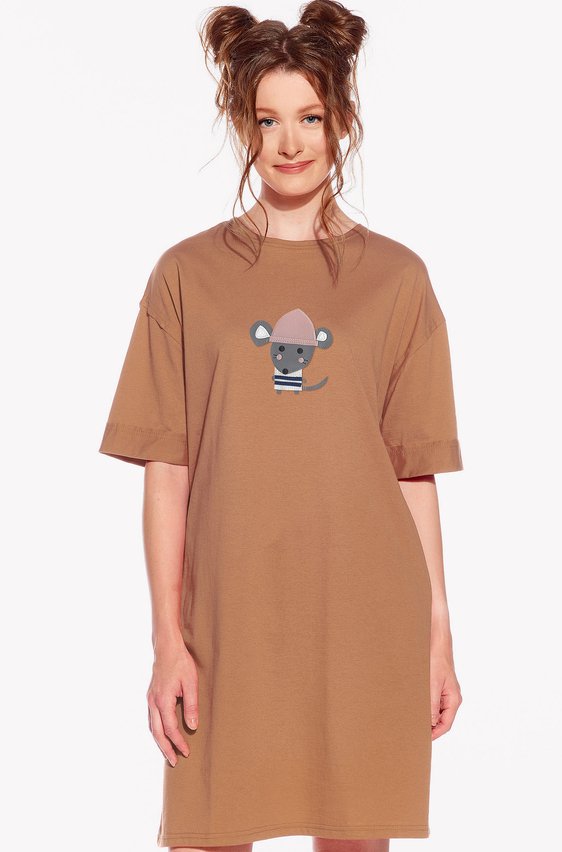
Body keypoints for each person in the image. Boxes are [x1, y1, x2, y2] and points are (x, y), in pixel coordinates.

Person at [98, 2, 464, 850]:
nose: (290, 142)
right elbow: (166, 471)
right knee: (209, 833)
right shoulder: (186, 275)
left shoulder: (398, 279)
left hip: (367, 615)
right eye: (267, 119)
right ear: (242, 124)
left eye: (310, 117)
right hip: (227, 623)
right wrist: (166, 640)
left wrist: (437, 635)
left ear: (342, 120)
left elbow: (412, 473)